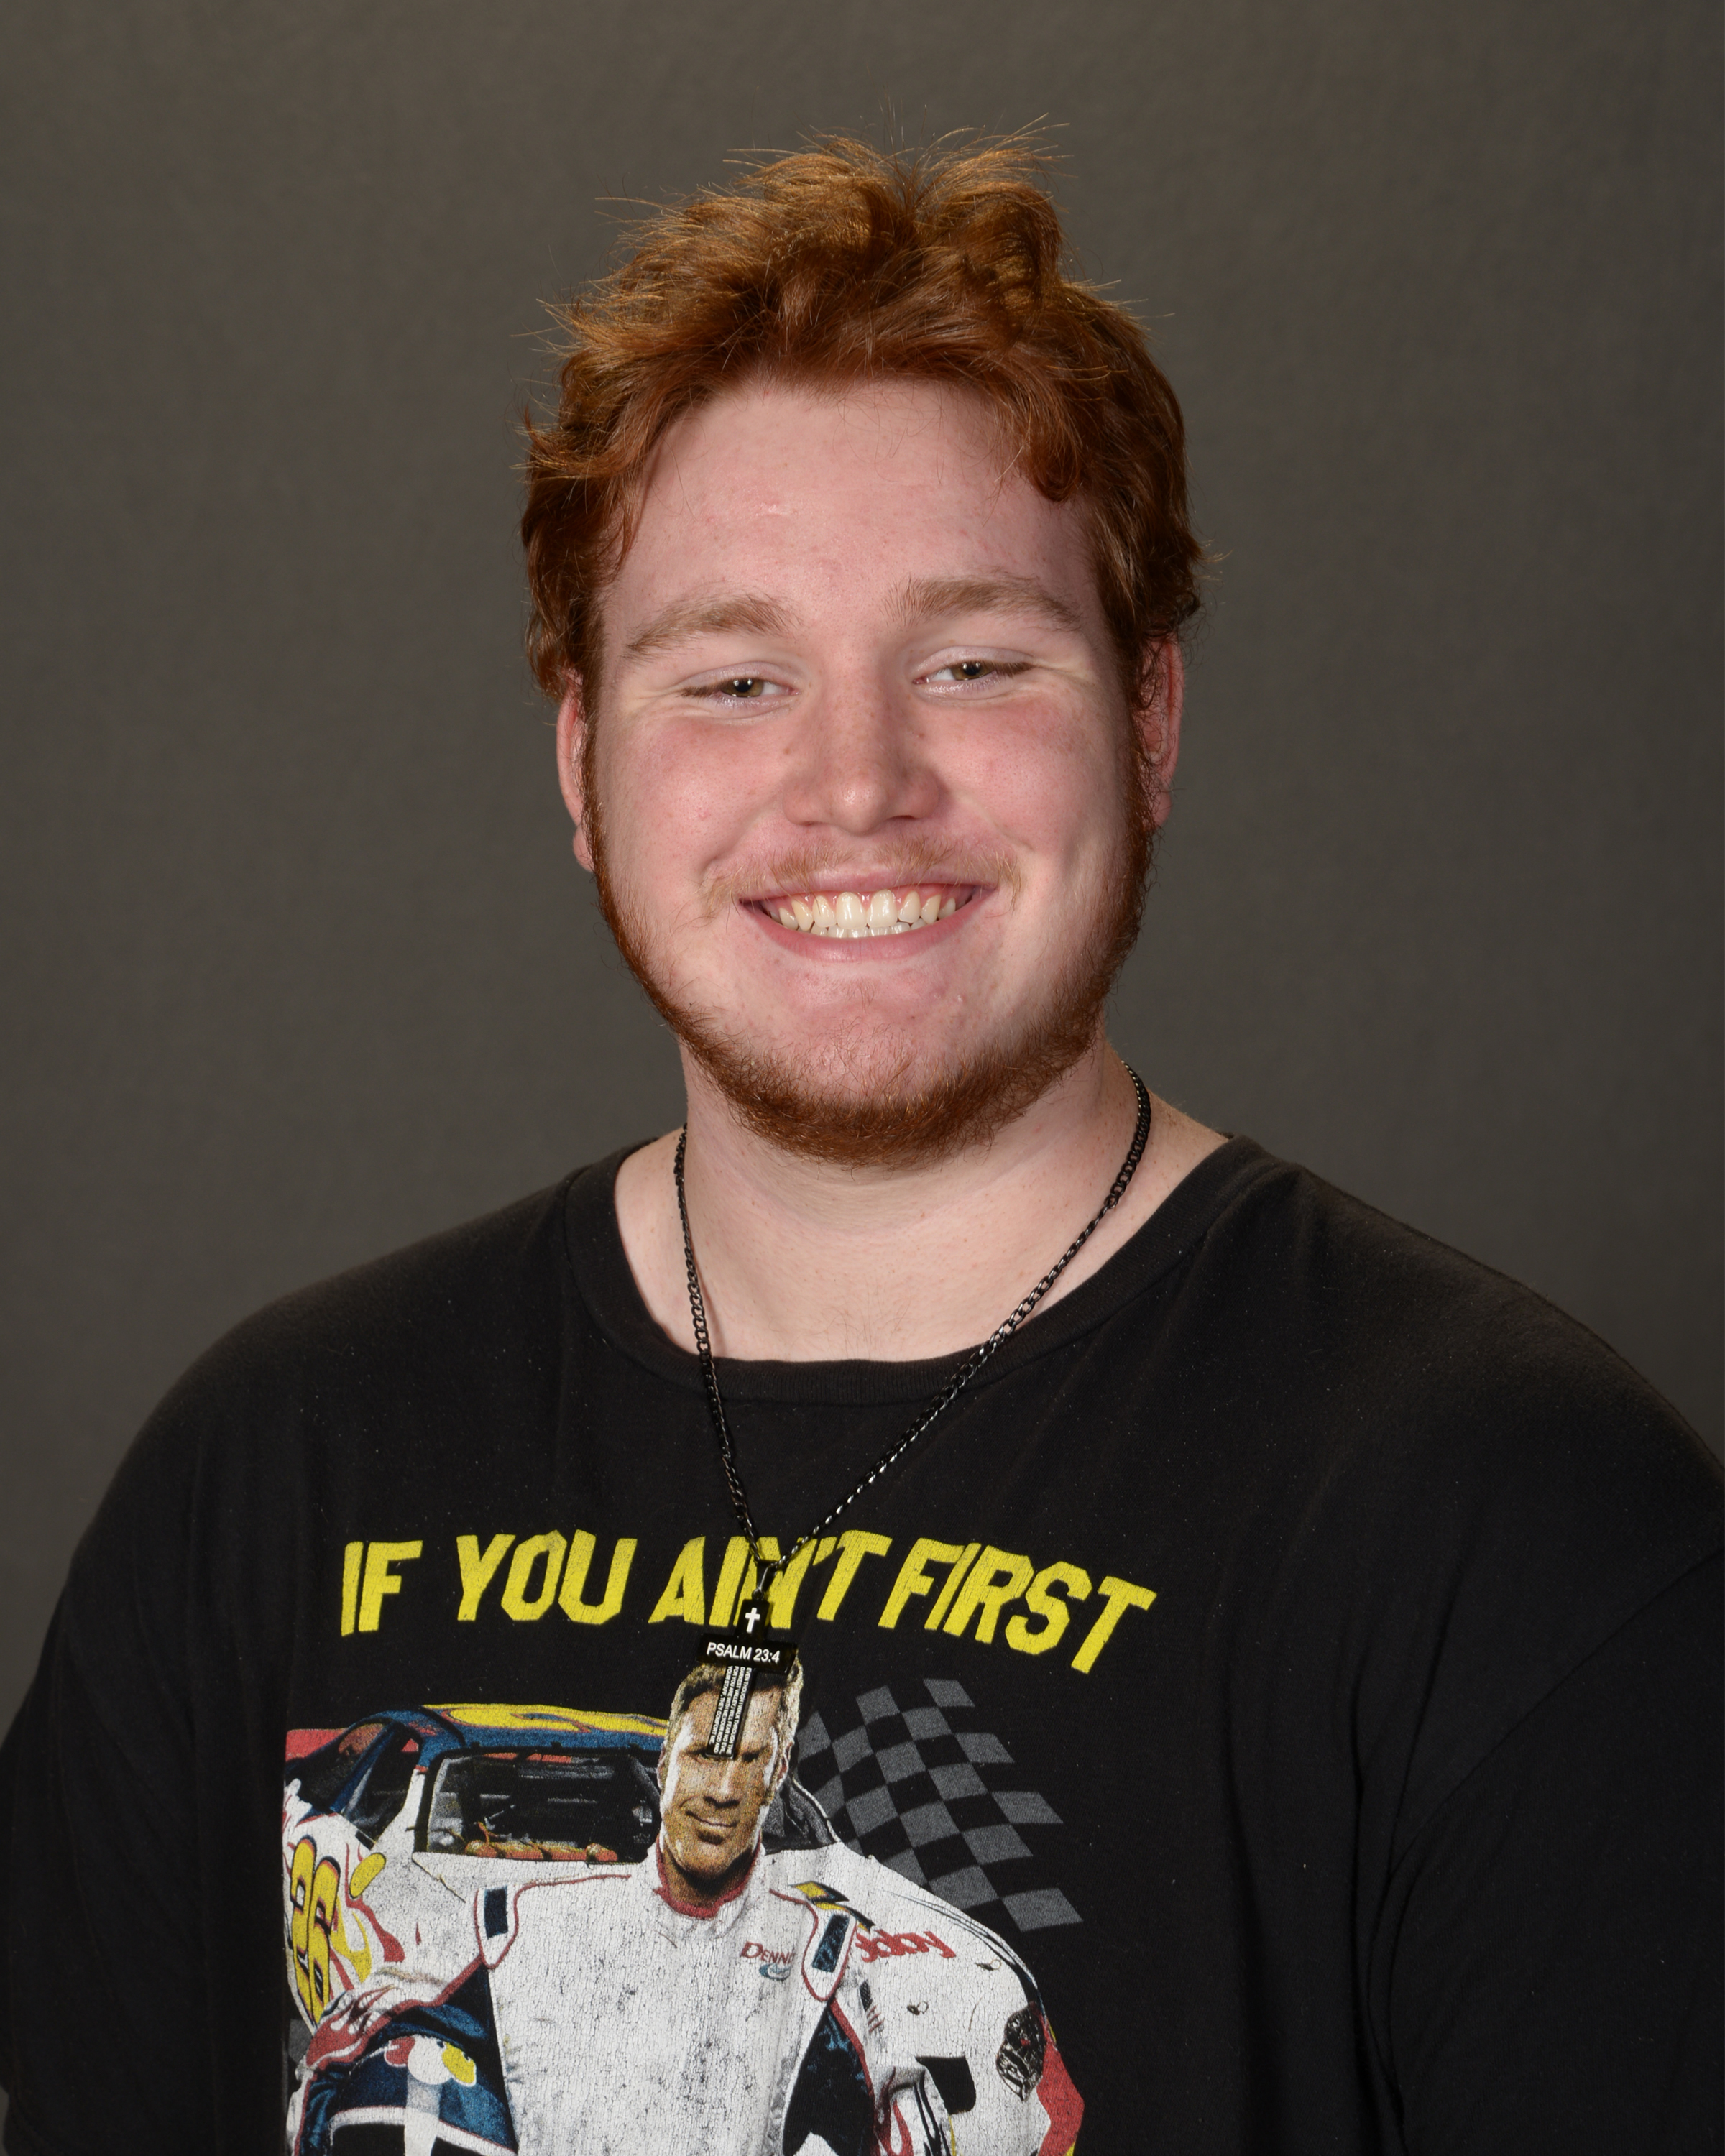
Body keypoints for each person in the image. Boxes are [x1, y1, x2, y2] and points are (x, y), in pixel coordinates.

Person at [0, 135, 1718, 2156]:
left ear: (1150, 722)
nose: (855, 785)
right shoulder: (269, 1479)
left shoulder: (1521, 1533)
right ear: (584, 764)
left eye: (974, 662)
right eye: (735, 680)